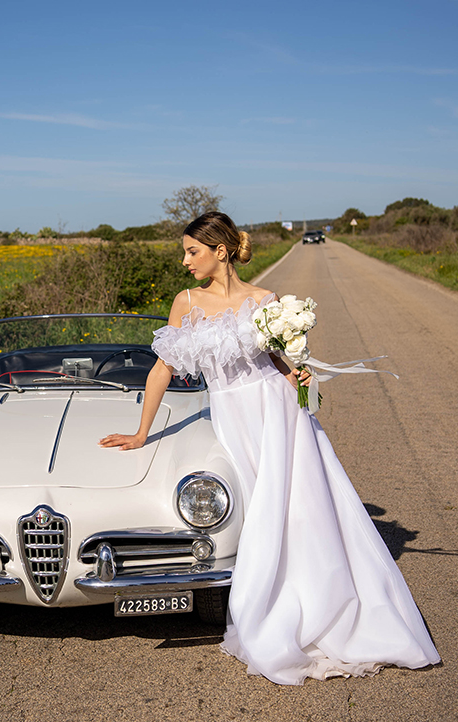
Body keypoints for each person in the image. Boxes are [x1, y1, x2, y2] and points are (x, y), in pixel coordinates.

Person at [99, 212, 440, 685]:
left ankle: (324, 604)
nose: (185, 261)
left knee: (299, 507)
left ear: (220, 250)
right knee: (257, 505)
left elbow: (283, 363)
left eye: (192, 251)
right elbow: (162, 370)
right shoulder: (187, 302)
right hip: (233, 418)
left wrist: (302, 377)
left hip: (278, 412)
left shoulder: (265, 301)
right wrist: (140, 433)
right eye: (184, 252)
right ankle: (271, 601)